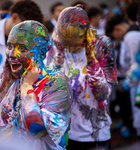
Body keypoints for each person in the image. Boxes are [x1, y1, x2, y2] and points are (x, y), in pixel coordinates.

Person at [0, 20, 72, 150]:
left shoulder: (57, 82)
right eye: (9, 46)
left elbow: (36, 130)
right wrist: (5, 81)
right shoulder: (9, 77)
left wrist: (26, 86)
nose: (12, 54)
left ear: (40, 52)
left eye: (22, 48)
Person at [45, 5, 117, 150]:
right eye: (66, 44)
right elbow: (49, 89)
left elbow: (103, 94)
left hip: (94, 135)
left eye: (74, 45)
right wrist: (59, 54)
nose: (69, 49)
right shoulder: (57, 47)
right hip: (64, 134)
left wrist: (91, 58)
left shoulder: (101, 46)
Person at [106, 12, 140, 137]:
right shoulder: (132, 35)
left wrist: (128, 82)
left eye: (113, 35)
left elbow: (136, 65)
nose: (116, 38)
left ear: (117, 28)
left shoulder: (131, 37)